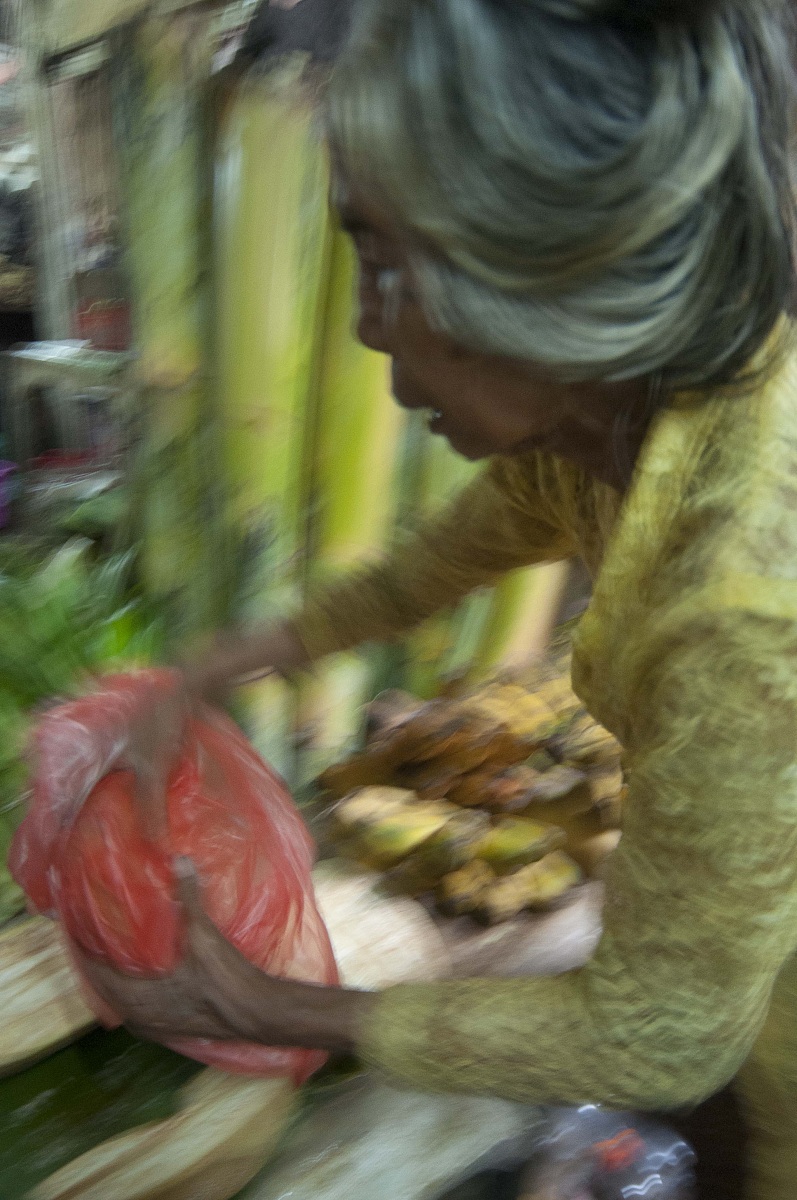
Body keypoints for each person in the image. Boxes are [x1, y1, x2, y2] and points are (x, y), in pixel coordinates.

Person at [76, 2, 797, 1197]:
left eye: (389, 262)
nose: (361, 325)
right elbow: (457, 550)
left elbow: (665, 1032)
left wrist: (277, 1003)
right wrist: (223, 663)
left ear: (553, 282)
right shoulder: (635, 410)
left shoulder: (737, 602)